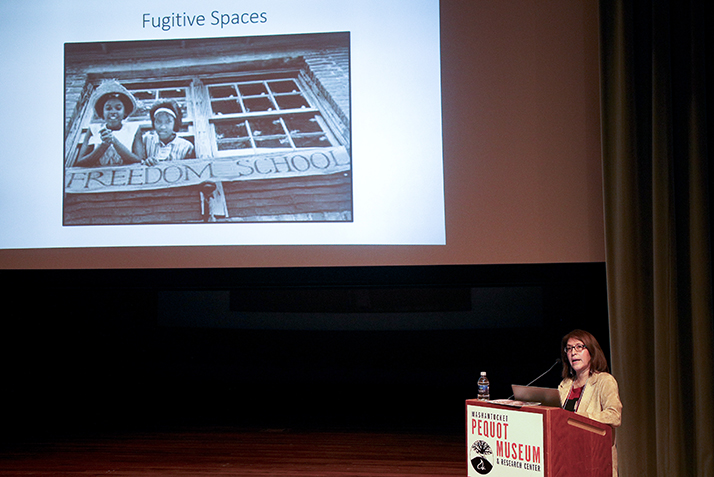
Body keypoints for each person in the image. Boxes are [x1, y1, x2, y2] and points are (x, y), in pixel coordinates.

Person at [558, 329, 622, 476]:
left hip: (595, 460)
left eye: (579, 347)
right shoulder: (565, 385)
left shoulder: (604, 381)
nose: (573, 352)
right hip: (567, 460)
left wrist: (579, 417)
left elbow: (614, 416)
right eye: (569, 348)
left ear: (591, 351)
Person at [76, 80, 142, 167]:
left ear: (125, 112)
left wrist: (114, 141)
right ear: (102, 112)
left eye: (118, 108)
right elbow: (80, 162)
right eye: (108, 108)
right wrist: (104, 145)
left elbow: (139, 160)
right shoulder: (94, 129)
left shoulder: (133, 129)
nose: (113, 112)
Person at [137, 100, 195, 165]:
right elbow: (139, 163)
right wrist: (147, 162)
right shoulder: (146, 141)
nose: (163, 127)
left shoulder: (186, 147)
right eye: (158, 122)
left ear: (175, 123)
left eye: (168, 122)